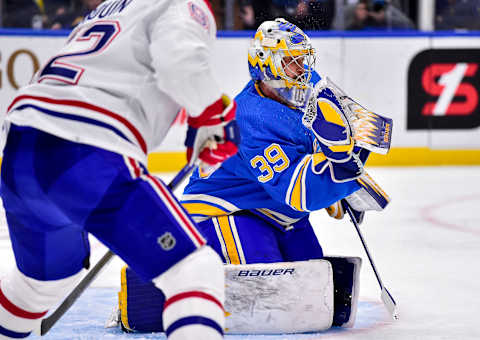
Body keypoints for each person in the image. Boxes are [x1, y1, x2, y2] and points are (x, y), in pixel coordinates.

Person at [113, 18, 393, 334]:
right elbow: (300, 192)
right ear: (267, 66)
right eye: (291, 62)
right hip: (224, 213)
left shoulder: (307, 84)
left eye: (303, 60)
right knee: (271, 286)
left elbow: (318, 144)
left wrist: (345, 182)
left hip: (276, 213)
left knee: (310, 279)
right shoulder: (251, 119)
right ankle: (164, 287)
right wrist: (339, 170)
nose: (301, 68)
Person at [0, 0, 239, 339]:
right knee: (194, 269)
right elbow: (180, 63)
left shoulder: (112, 7)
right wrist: (215, 113)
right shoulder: (183, 4)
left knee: (40, 285)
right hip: (86, 151)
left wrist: (202, 119)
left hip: (21, 147)